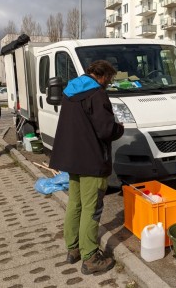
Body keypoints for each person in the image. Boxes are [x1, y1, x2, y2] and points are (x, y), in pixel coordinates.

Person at [49, 60, 124, 275]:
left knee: (75, 204)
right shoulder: (97, 94)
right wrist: (119, 128)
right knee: (91, 209)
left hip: (73, 160)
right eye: (109, 80)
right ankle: (90, 257)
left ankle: (73, 250)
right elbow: (105, 130)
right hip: (92, 160)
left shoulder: (70, 92)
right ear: (103, 76)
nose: (108, 84)